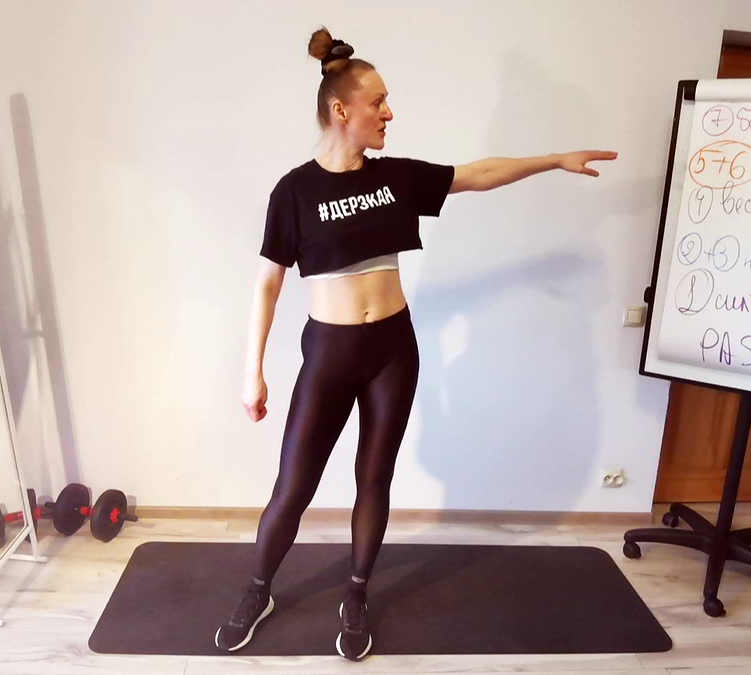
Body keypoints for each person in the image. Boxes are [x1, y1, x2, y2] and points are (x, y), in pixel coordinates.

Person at [214, 27, 617, 661]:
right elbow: (267, 285)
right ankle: (258, 589)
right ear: (341, 110)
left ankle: (356, 592)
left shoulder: (395, 178)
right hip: (330, 354)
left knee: (374, 479)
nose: (389, 113)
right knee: (294, 487)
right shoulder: (293, 192)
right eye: (378, 102)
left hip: (392, 351)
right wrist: (252, 372)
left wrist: (552, 159)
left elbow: (478, 174)